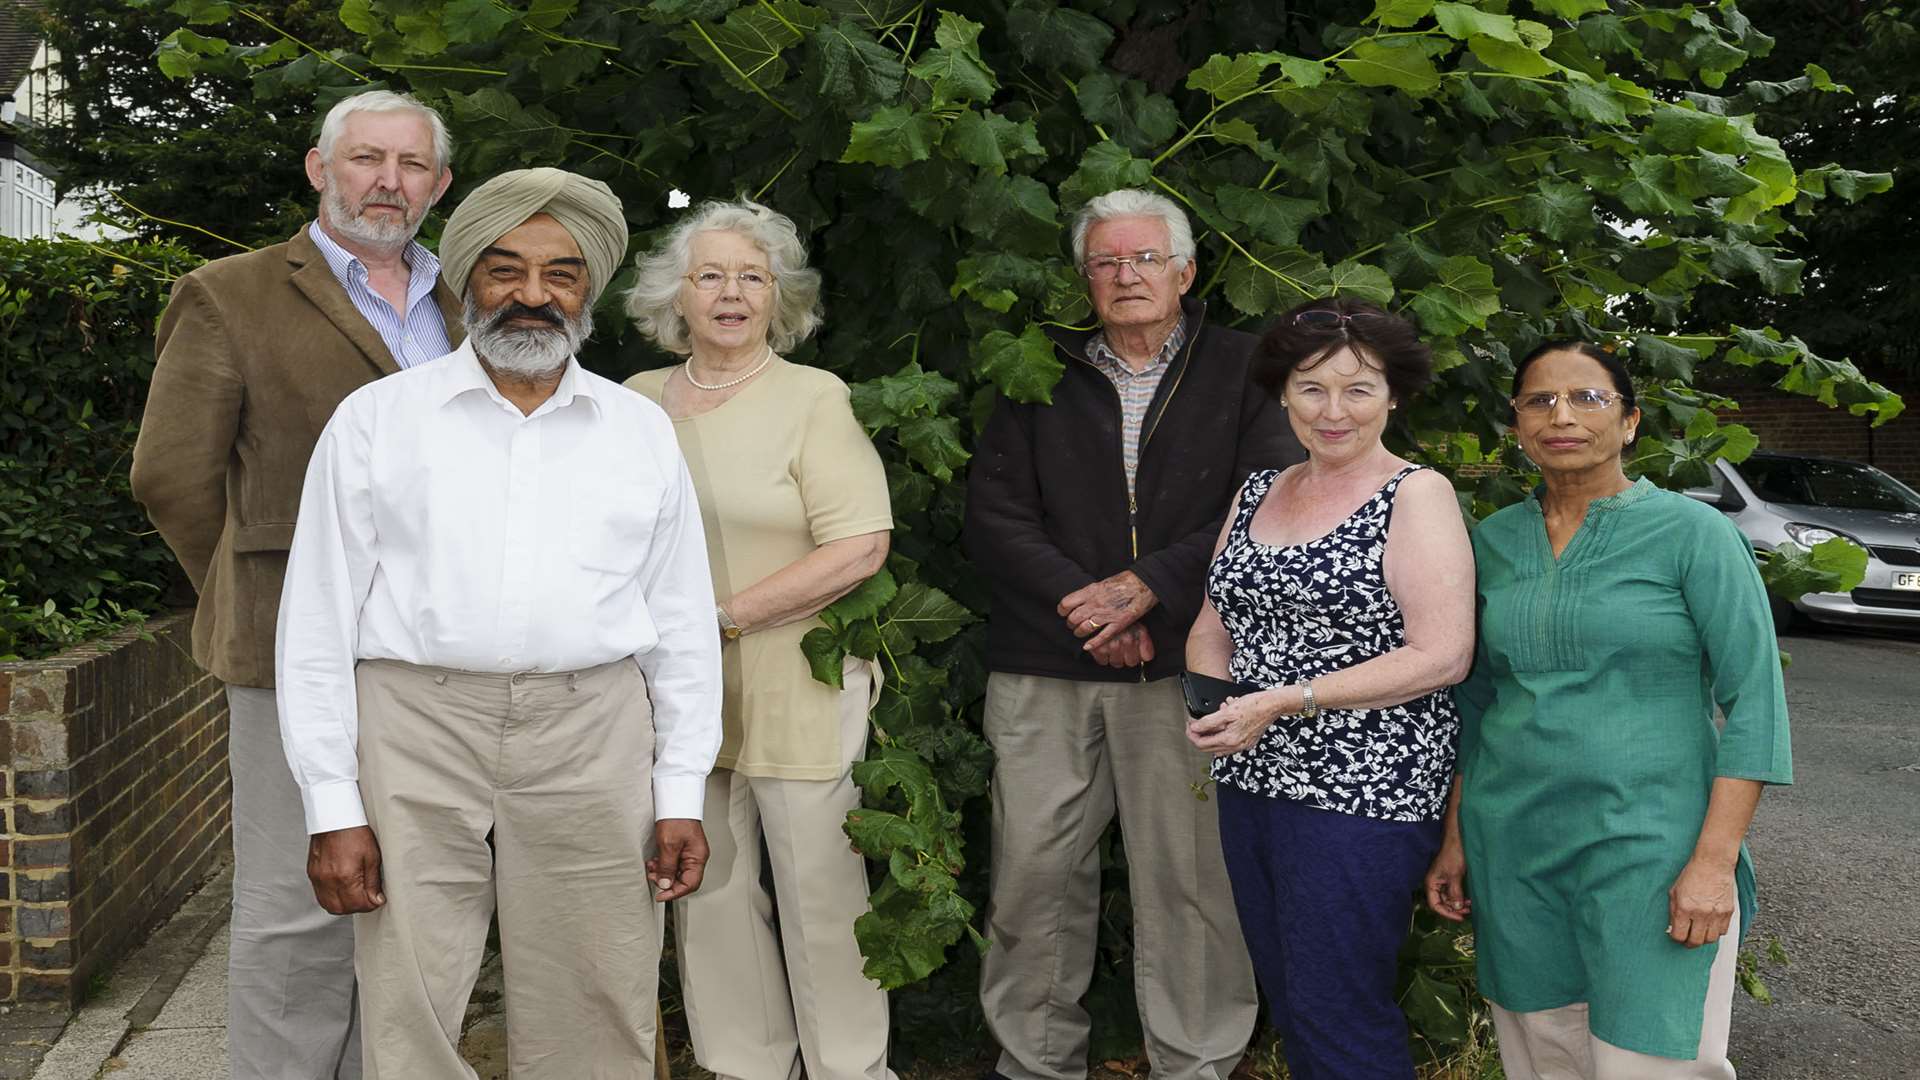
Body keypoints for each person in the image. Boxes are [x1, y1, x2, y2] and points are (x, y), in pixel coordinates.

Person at [274, 167, 721, 1079]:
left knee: (601, 990)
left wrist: (680, 792)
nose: (531, 296)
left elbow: (679, 626)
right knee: (410, 994)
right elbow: (316, 621)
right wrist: (331, 804)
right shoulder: (377, 422)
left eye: (560, 274)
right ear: (466, 279)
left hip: (593, 730)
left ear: (588, 290)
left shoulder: (639, 432)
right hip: (415, 725)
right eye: (505, 270)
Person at [129, 88, 458, 1080]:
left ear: (439, 185)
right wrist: (252, 589)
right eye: (365, 160)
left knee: (401, 907)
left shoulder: (466, 300)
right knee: (295, 910)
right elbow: (170, 476)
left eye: (410, 166)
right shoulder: (230, 294)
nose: (387, 183)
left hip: (436, 657)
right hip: (286, 653)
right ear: (320, 168)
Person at [965, 188, 1298, 1080]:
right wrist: (1091, 609)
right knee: (1033, 876)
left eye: (1146, 258)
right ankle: (1034, 1065)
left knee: (1192, 886)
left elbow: (1263, 501)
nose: (1127, 275)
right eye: (1107, 262)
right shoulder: (1035, 369)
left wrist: (1146, 588)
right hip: (1047, 663)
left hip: (1192, 663)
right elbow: (996, 514)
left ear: (1186, 272)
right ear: (1085, 279)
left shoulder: (1246, 369)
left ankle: (1197, 1064)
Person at [1423, 340, 1793, 1080]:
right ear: (1517, 424)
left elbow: (1755, 700)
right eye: (1539, 400)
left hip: (1651, 846)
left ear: (1629, 422)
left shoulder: (1695, 535)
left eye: (1588, 398)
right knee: (1545, 1056)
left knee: (1653, 1059)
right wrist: (1456, 838)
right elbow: (1478, 702)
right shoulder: (1490, 542)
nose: (1562, 415)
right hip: (1516, 845)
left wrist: (1714, 864)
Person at [623, 199, 896, 1080]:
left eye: (752, 276)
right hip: (669, 692)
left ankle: (851, 1069)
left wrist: (720, 620)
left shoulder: (813, 397)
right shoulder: (629, 403)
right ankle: (746, 1067)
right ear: (677, 294)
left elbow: (859, 544)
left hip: (796, 679)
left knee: (821, 891)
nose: (731, 293)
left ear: (779, 296)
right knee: (709, 890)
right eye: (710, 275)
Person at [1184, 299, 1475, 1080]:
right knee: (1290, 991)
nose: (1334, 410)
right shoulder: (1259, 490)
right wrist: (1210, 708)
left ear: (1394, 396)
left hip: (1361, 792)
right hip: (1253, 777)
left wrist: (1281, 699)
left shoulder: (1415, 494)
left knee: (1337, 1005)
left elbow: (1443, 654)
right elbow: (1215, 619)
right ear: (1283, 393)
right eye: (1312, 388)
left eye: (1359, 388)